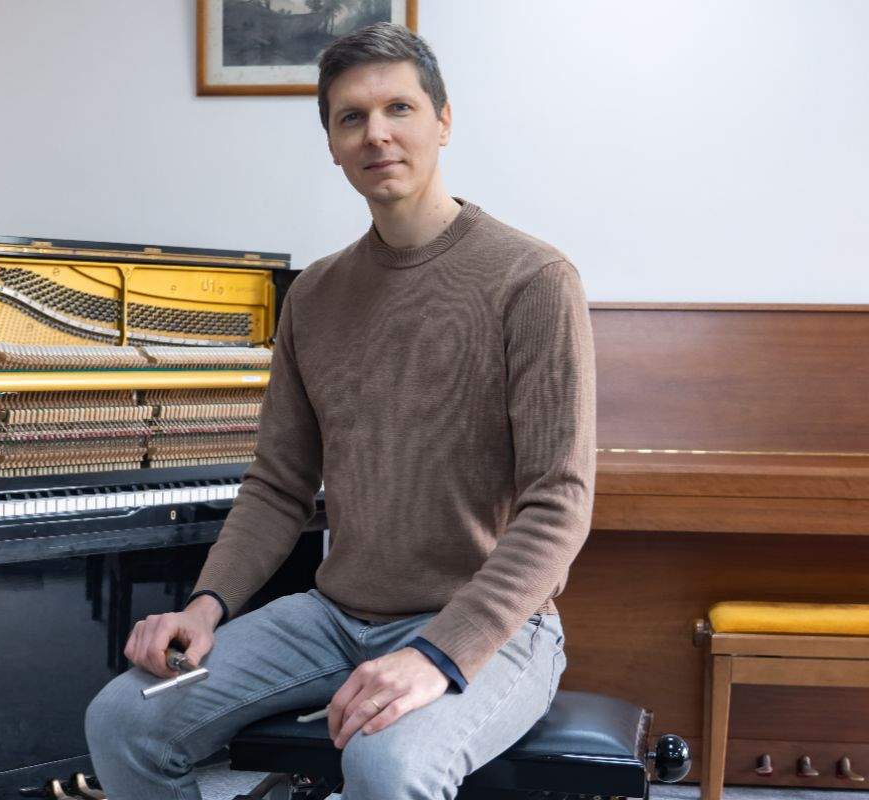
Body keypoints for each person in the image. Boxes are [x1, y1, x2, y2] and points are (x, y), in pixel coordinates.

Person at [85, 21, 596, 800]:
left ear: (443, 121)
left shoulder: (534, 279)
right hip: (334, 618)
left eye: (399, 109)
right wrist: (206, 606)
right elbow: (278, 485)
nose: (376, 134)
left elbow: (560, 503)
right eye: (351, 117)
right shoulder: (316, 295)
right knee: (124, 720)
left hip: (494, 628)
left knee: (386, 765)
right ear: (331, 143)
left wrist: (438, 653)